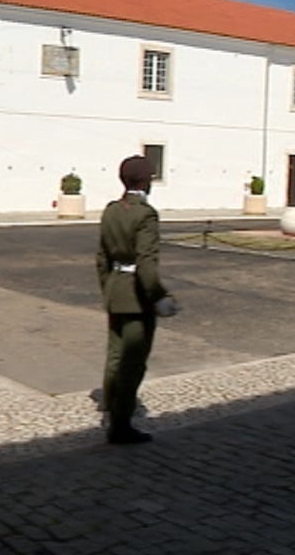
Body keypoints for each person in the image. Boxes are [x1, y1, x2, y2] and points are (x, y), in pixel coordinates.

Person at [96, 155, 180, 445]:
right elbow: (146, 262)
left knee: (114, 354)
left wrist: (109, 288)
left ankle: (108, 406)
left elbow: (101, 258)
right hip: (136, 295)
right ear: (144, 181)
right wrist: (158, 296)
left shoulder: (110, 211)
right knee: (133, 361)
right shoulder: (145, 214)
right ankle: (121, 424)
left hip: (115, 289)